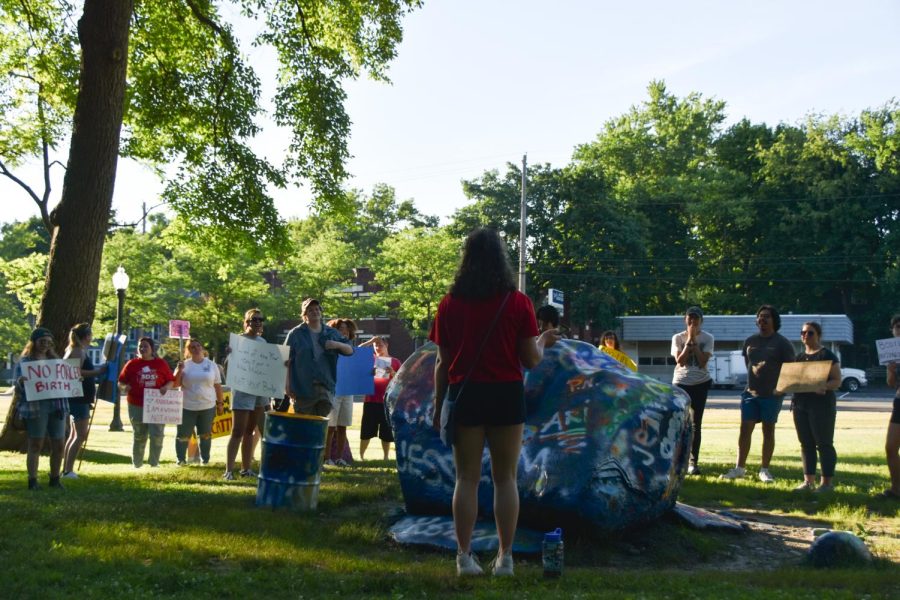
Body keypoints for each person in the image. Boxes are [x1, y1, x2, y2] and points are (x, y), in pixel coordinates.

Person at [429, 227, 559, 577]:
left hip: (464, 395)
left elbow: (442, 362)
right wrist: (544, 340)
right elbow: (531, 360)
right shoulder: (517, 302)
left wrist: (438, 403)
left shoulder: (449, 303)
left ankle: (464, 557)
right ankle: (505, 558)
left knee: (466, 479)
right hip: (506, 394)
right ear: (501, 259)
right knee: (505, 479)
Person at [721, 305, 794, 483]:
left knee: (768, 430)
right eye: (760, 317)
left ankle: (764, 470)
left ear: (774, 321)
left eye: (766, 317)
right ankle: (739, 468)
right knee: (745, 429)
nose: (762, 320)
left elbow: (790, 370)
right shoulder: (750, 341)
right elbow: (749, 363)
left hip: (772, 395)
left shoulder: (783, 343)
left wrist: (780, 390)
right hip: (750, 394)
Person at [790, 322, 841, 492]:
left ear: (818, 335)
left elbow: (836, 380)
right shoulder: (799, 357)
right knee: (806, 443)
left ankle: (826, 484)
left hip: (822, 406)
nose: (805, 336)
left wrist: (824, 386)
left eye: (810, 333)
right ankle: (808, 482)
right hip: (800, 405)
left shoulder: (827, 355)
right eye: (802, 332)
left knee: (824, 443)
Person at [15, 328, 68, 490]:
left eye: (48, 342)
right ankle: (33, 480)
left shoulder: (56, 361)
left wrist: (73, 380)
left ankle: (55, 479)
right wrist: (21, 382)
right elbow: (17, 386)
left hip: (57, 406)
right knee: (35, 444)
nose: (45, 345)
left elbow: (65, 380)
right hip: (36, 407)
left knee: (59, 444)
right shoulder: (25, 362)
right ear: (34, 342)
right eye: (41, 341)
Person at [284, 298, 353, 417]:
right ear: (304, 314)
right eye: (310, 310)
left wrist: (336, 344)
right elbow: (286, 361)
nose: (315, 312)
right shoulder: (295, 333)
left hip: (325, 386)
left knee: (320, 426)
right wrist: (287, 386)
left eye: (317, 309)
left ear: (320, 312)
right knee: (303, 426)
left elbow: (350, 350)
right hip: (303, 388)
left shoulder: (331, 333)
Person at [224, 308, 271, 480]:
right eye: (254, 319)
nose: (258, 322)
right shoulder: (238, 341)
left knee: (251, 430)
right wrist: (228, 356)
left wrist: (283, 365)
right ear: (246, 322)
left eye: (260, 319)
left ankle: (246, 468)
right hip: (243, 391)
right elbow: (229, 369)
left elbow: (268, 368)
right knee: (237, 430)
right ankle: (229, 470)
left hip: (259, 391)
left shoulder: (264, 342)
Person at [118, 337, 175, 468]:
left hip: (157, 405)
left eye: (145, 346)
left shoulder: (161, 364)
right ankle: (137, 464)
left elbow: (171, 380)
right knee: (139, 434)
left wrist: (166, 388)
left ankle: (154, 463)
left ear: (152, 349)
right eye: (140, 346)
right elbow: (121, 382)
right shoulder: (132, 364)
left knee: (157, 435)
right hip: (136, 404)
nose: (142, 349)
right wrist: (124, 388)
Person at [671, 307, 713, 476]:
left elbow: (702, 362)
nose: (692, 322)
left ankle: (693, 463)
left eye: (696, 319)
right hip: (681, 383)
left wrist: (694, 341)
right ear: (685, 320)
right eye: (690, 319)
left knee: (696, 425)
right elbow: (680, 361)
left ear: (701, 321)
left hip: (701, 383)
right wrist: (689, 338)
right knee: (679, 423)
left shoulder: (708, 338)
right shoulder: (677, 338)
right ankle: (676, 461)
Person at [62, 323, 108, 478]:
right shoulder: (76, 351)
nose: (92, 336)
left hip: (80, 397)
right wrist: (97, 371)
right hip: (78, 398)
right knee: (81, 434)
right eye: (90, 334)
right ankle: (68, 470)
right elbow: (73, 372)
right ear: (87, 336)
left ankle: (66, 469)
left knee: (74, 434)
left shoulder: (77, 350)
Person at [174, 339, 224, 467]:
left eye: (198, 346)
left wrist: (220, 404)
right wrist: (179, 370)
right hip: (187, 407)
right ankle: (181, 460)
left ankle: (205, 460)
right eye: (192, 347)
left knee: (205, 435)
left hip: (207, 406)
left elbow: (218, 386)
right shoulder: (184, 365)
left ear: (202, 348)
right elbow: (175, 384)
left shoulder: (212, 365)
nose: (196, 349)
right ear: (188, 350)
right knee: (183, 435)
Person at [359, 336, 400, 461]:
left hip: (387, 401)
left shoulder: (396, 362)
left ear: (387, 345)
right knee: (366, 429)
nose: (377, 347)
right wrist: (370, 341)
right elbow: (357, 351)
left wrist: (393, 373)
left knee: (386, 431)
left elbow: (402, 381)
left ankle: (386, 457)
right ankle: (361, 457)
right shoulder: (370, 359)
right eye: (375, 345)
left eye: (380, 345)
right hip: (370, 399)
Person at [325, 318, 357, 466]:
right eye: (340, 328)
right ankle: (326, 458)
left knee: (343, 425)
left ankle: (339, 458)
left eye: (346, 328)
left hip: (348, 390)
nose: (344, 331)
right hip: (334, 390)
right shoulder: (330, 349)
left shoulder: (352, 349)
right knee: (330, 426)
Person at [880, 314, 900, 500]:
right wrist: (891, 370)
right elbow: (891, 383)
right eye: (897, 327)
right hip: (899, 402)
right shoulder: (892, 352)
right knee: (890, 447)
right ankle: (896, 489)